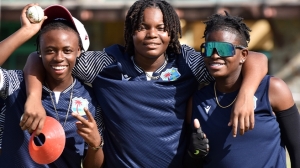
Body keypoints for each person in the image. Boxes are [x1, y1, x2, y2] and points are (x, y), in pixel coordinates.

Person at [23, 0, 268, 167]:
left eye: (161, 28)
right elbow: (40, 56)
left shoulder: (188, 63)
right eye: (142, 27)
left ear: (171, 32)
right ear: (130, 32)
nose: (152, 34)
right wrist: (33, 98)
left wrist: (246, 94)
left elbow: (254, 58)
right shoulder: (104, 64)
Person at [189, 11, 300, 168]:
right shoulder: (198, 100)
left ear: (243, 55)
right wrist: (194, 153)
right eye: (208, 48)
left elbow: (297, 149)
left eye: (224, 49)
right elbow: (192, 162)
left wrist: (246, 94)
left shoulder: (272, 89)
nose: (214, 55)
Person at [0, 4, 104, 168]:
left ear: (78, 50)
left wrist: (95, 144)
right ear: (39, 51)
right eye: (50, 50)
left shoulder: (90, 99)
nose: (59, 58)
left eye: (67, 50)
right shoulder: (16, 84)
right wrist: (25, 32)